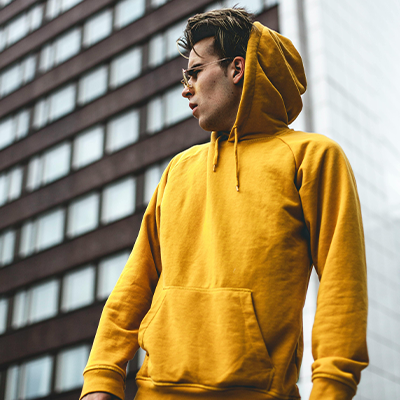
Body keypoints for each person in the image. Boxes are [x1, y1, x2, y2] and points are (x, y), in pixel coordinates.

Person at [80, 7, 368, 400]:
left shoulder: (312, 157)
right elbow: (134, 284)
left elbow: (342, 284)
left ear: (236, 68)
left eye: (195, 72)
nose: (186, 88)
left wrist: (331, 390)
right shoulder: (179, 170)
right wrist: (101, 380)